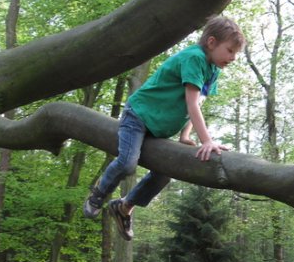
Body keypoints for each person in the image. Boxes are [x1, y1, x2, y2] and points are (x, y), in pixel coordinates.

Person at [83, 15, 245, 241]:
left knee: (164, 175)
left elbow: (197, 103)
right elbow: (191, 103)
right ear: (211, 42)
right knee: (128, 163)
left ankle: (124, 207)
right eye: (230, 50)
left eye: (236, 53)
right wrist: (207, 141)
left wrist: (185, 135)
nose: (233, 58)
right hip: (138, 116)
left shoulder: (213, 69)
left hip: (159, 128)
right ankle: (98, 194)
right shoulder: (195, 58)